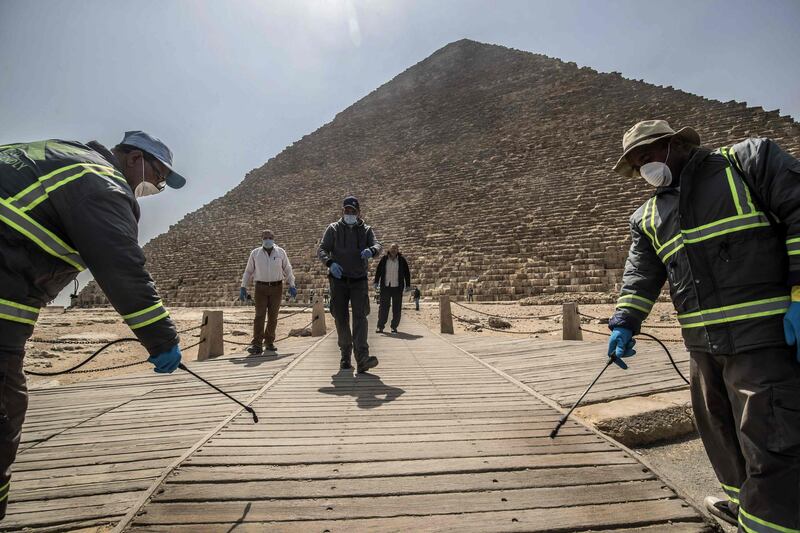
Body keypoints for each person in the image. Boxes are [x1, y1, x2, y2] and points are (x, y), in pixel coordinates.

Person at [607, 119, 800, 532]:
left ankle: (769, 525)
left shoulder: (748, 162)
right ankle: (745, 506)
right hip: (701, 347)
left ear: (675, 144)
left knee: (772, 441)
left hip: (764, 339)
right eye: (637, 162)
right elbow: (641, 274)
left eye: (648, 155)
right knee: (722, 437)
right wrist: (624, 322)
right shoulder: (648, 215)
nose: (645, 168)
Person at [0, 132, 187, 520]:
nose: (159, 187)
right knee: (4, 410)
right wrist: (161, 339)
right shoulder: (102, 183)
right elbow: (121, 264)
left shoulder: (58, 153)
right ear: (135, 159)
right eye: (159, 176)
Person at [318, 195, 381, 373]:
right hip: (338, 281)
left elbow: (378, 244)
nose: (349, 213)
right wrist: (330, 263)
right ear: (342, 211)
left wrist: (372, 250)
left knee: (360, 317)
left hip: (359, 280)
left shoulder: (366, 230)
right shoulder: (333, 229)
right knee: (341, 317)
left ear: (359, 212)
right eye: (346, 210)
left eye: (352, 211)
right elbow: (322, 249)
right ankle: (345, 355)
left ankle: (362, 358)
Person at [239, 230, 296, 354]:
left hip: (277, 287)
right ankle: (257, 344)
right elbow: (248, 271)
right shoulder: (255, 253)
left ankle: (269, 342)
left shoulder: (281, 252)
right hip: (260, 288)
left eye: (270, 237)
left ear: (274, 238)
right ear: (261, 239)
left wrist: (292, 284)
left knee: (273, 316)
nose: (268, 239)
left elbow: (288, 269)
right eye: (265, 237)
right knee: (259, 316)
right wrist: (243, 286)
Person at [374, 243, 411, 333]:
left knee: (397, 308)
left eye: (395, 248)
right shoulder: (384, 259)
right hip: (385, 286)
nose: (393, 250)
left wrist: (408, 285)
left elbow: (407, 273)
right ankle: (380, 326)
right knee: (383, 308)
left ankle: (394, 327)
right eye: (392, 248)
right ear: (389, 249)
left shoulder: (402, 260)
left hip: (397, 287)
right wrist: (376, 281)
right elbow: (378, 270)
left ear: (398, 250)